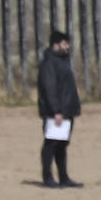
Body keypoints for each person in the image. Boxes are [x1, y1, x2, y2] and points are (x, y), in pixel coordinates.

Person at [38, 29, 83, 189]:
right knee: (51, 145)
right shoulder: (49, 62)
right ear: (56, 44)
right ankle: (47, 177)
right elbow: (49, 88)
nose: (67, 46)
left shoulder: (62, 61)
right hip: (55, 113)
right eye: (65, 43)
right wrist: (56, 110)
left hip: (66, 111)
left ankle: (64, 177)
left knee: (62, 145)